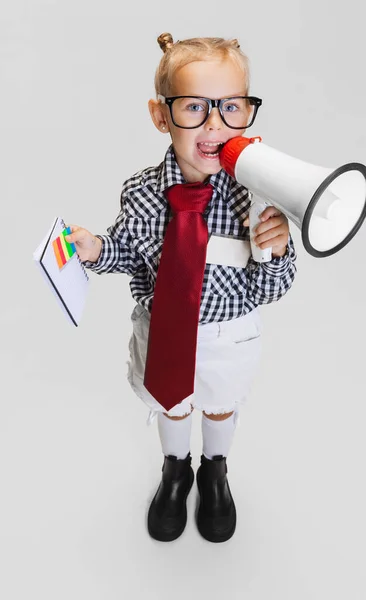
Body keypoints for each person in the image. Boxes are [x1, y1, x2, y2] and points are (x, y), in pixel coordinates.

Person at [65, 33, 297, 544]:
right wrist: (97, 249)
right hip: (165, 332)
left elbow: (272, 288)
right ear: (160, 115)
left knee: (219, 404)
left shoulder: (255, 199)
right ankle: (176, 469)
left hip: (227, 336)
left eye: (231, 107)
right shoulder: (141, 192)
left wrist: (277, 252)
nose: (215, 123)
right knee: (172, 404)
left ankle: (215, 471)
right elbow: (132, 254)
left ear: (247, 111)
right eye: (195, 107)